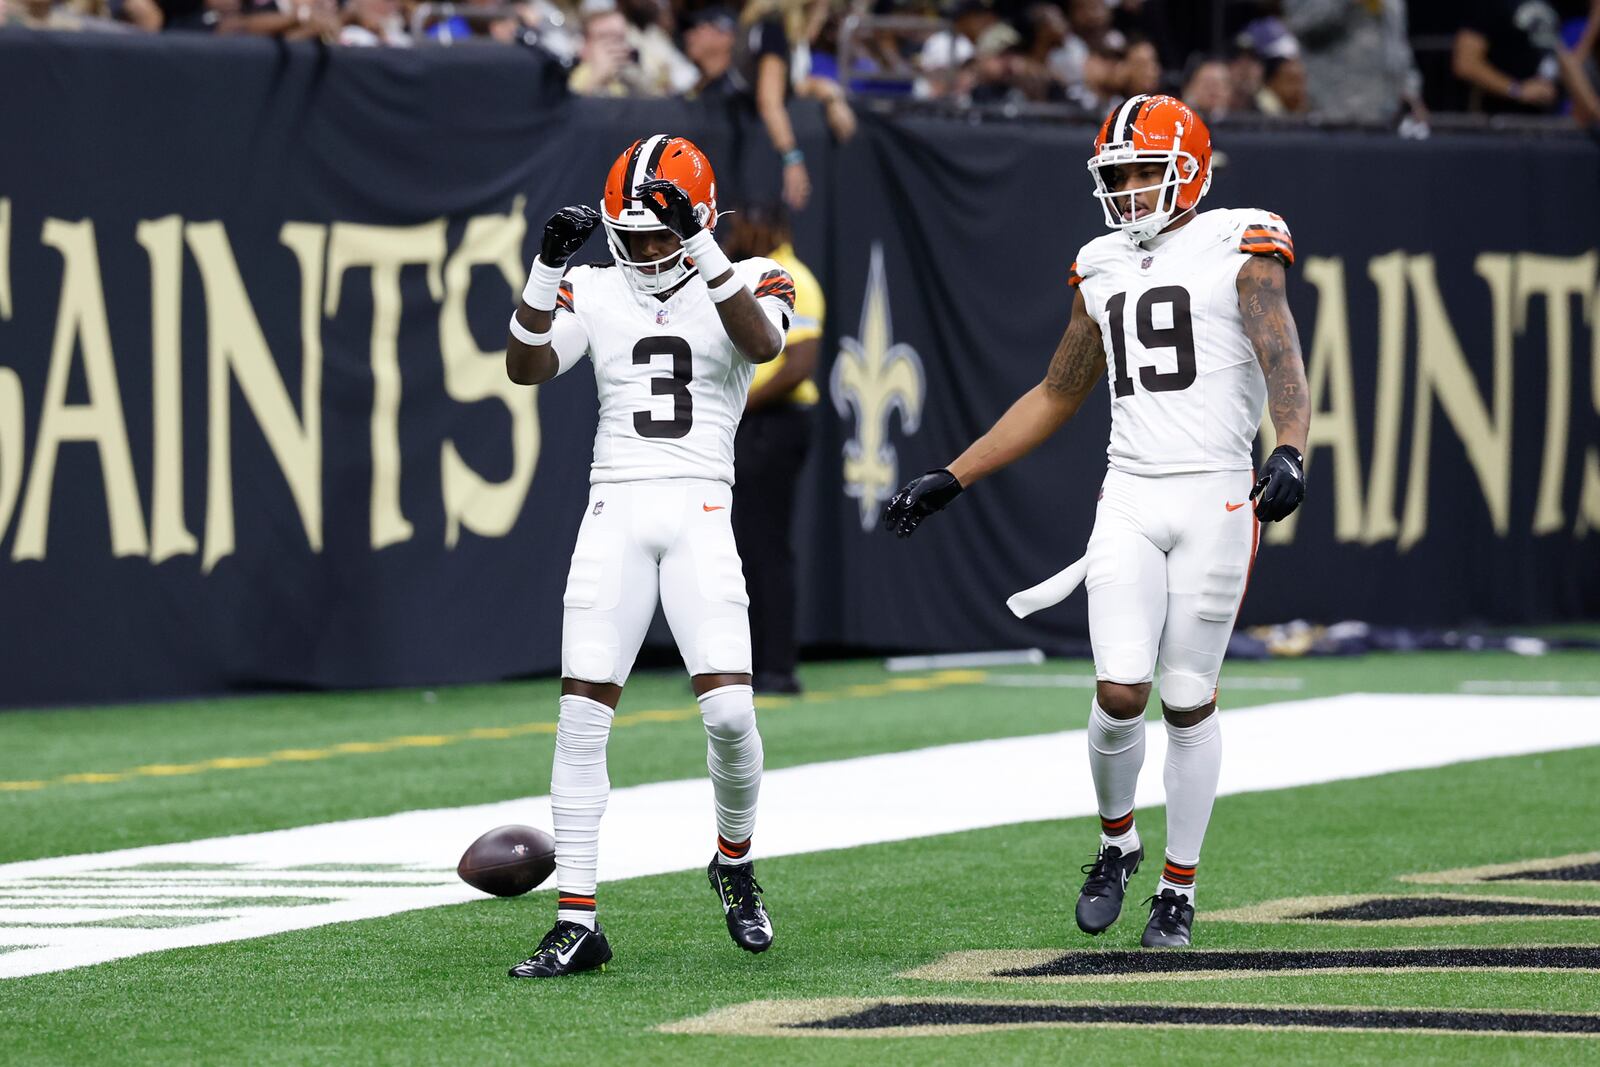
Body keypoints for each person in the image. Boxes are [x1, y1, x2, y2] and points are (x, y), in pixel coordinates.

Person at [884, 95, 1310, 949]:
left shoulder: (1242, 240)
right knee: (1120, 690)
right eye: (1117, 175)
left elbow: (1280, 355)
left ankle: (1178, 891)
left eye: (1144, 170)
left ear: (1188, 168)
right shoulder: (1101, 260)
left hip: (1218, 494)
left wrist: (1291, 447)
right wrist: (953, 475)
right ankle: (1117, 843)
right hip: (1131, 491)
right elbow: (1058, 391)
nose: (1128, 188)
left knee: (1187, 699)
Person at [502, 135, 795, 978]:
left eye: (657, 231)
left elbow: (764, 346)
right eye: (626, 233)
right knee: (583, 714)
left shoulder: (750, 279)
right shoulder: (595, 288)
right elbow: (527, 365)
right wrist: (543, 271)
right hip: (615, 506)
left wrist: (699, 245)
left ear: (698, 220)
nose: (639, 248)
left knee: (732, 716)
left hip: (702, 506)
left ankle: (733, 860)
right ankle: (578, 917)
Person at [723, 204, 824, 695]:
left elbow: (799, 365)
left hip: (775, 422)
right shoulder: (743, 275)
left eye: (747, 225)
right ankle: (743, 664)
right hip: (751, 424)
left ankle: (777, 667)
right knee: (739, 547)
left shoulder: (792, 277)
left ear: (774, 228)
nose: (737, 234)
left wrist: (737, 404)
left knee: (766, 546)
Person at [1283, 0, 1425, 124]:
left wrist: (1411, 91)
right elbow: (1300, 21)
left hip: (1390, 112)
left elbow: (1397, 42)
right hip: (1333, 111)